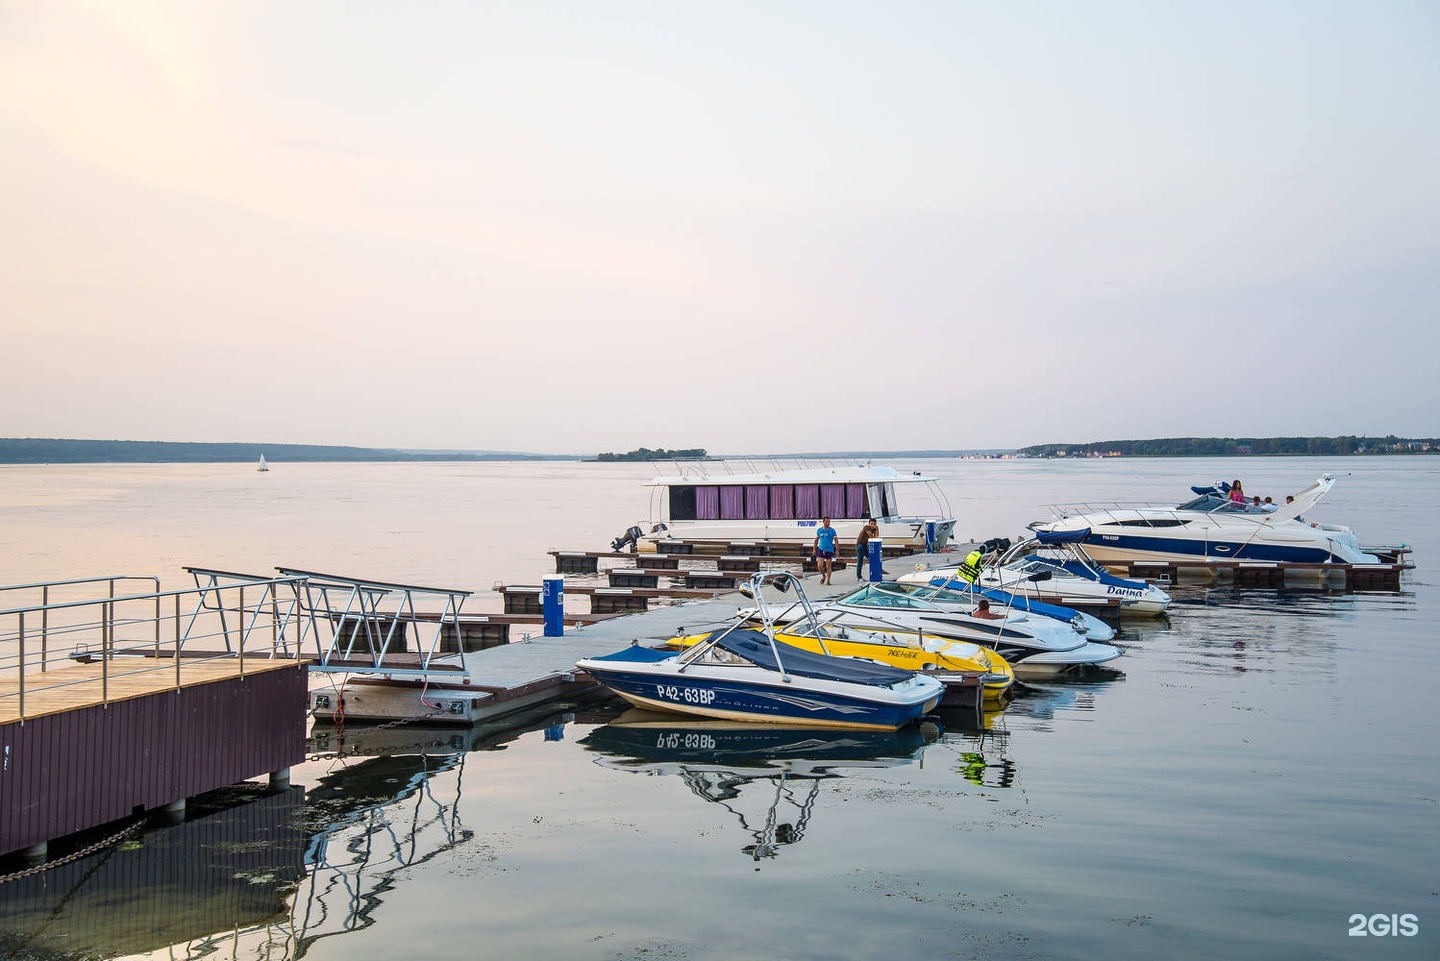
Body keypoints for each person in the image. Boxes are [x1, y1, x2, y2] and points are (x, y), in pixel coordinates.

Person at [813, 517, 838, 585]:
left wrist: (837, 550)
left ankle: (828, 580)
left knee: (828, 566)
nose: (828, 523)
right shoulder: (819, 530)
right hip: (821, 549)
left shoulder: (832, 530)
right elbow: (816, 540)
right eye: (827, 522)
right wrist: (814, 549)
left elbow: (836, 541)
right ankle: (824, 576)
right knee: (820, 565)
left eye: (829, 522)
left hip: (829, 550)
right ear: (823, 522)